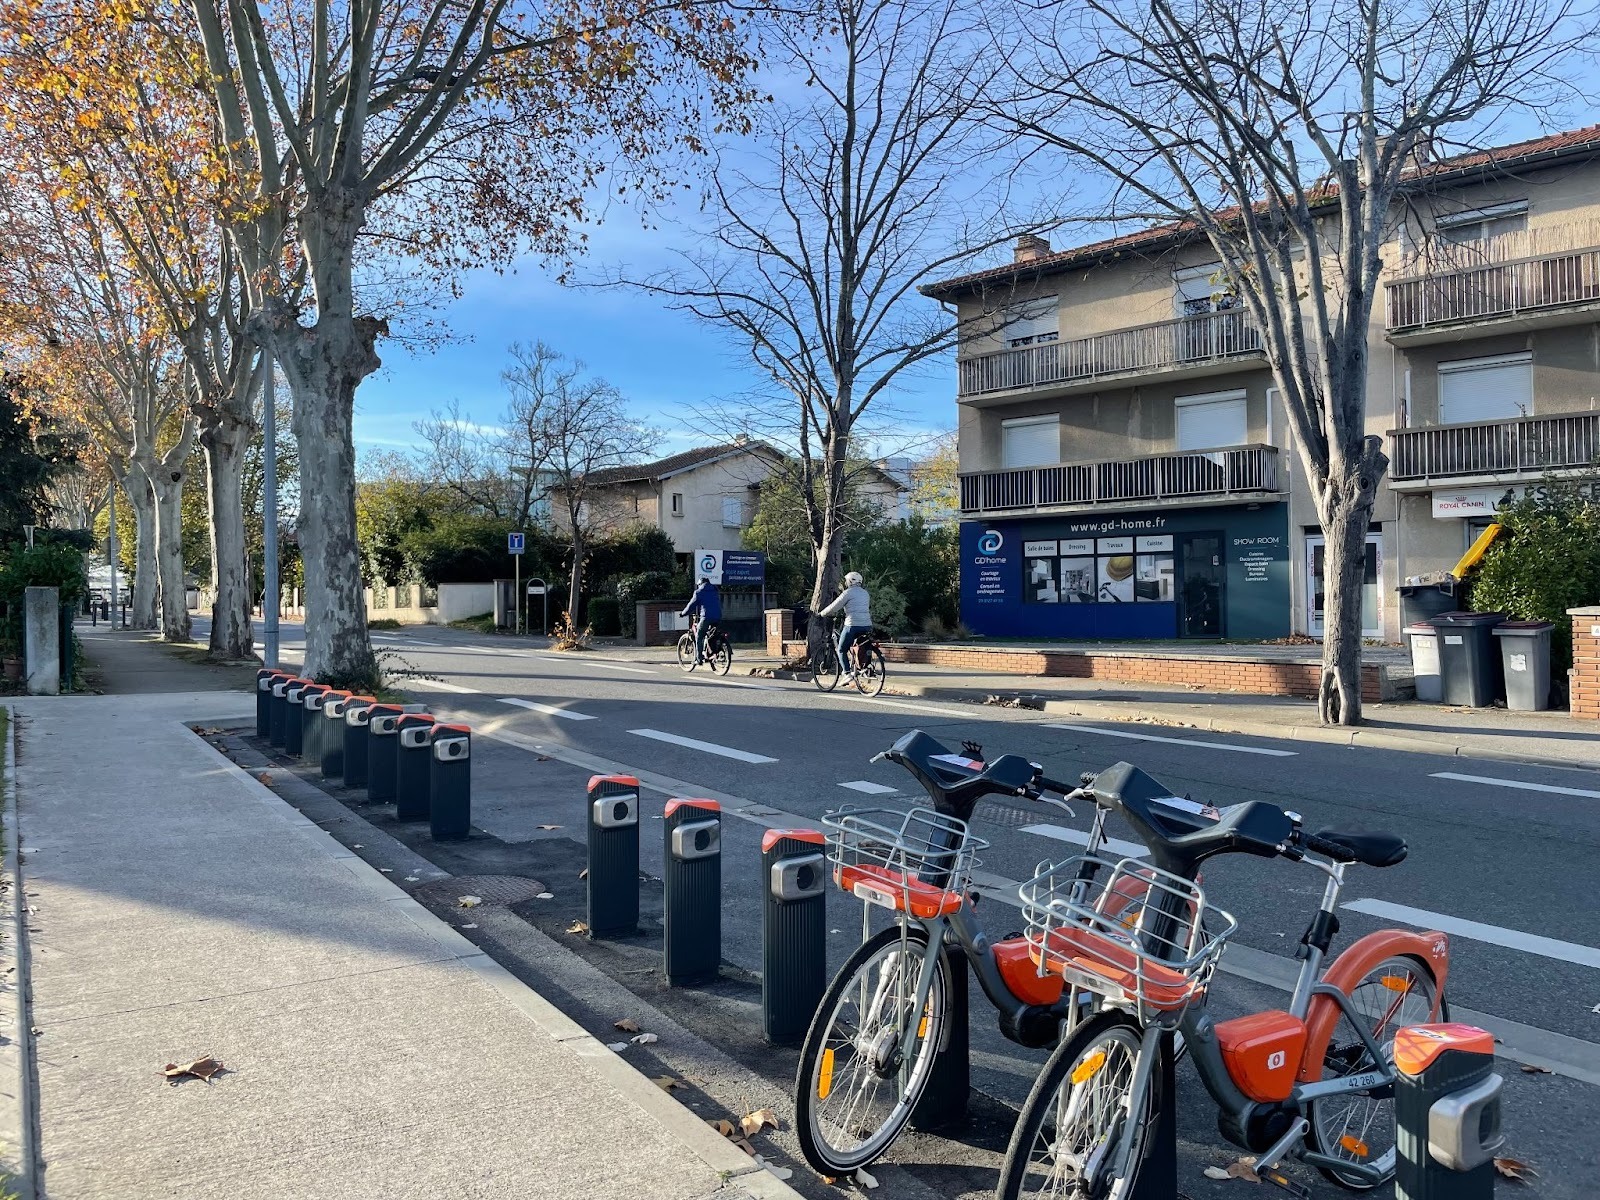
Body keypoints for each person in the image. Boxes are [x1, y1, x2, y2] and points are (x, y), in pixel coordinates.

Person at [819, 571, 872, 680]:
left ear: (849, 582)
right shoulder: (865, 593)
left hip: (852, 625)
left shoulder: (848, 593)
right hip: (867, 625)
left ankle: (847, 673)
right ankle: (861, 667)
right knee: (859, 645)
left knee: (842, 649)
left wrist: (822, 613)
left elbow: (834, 606)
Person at [681, 574, 722, 664]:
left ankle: (699, 659)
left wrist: (683, 613)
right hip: (718, 617)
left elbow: (691, 605)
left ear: (700, 584)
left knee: (699, 635)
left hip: (706, 617)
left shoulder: (699, 592)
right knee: (712, 635)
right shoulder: (715, 590)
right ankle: (712, 653)